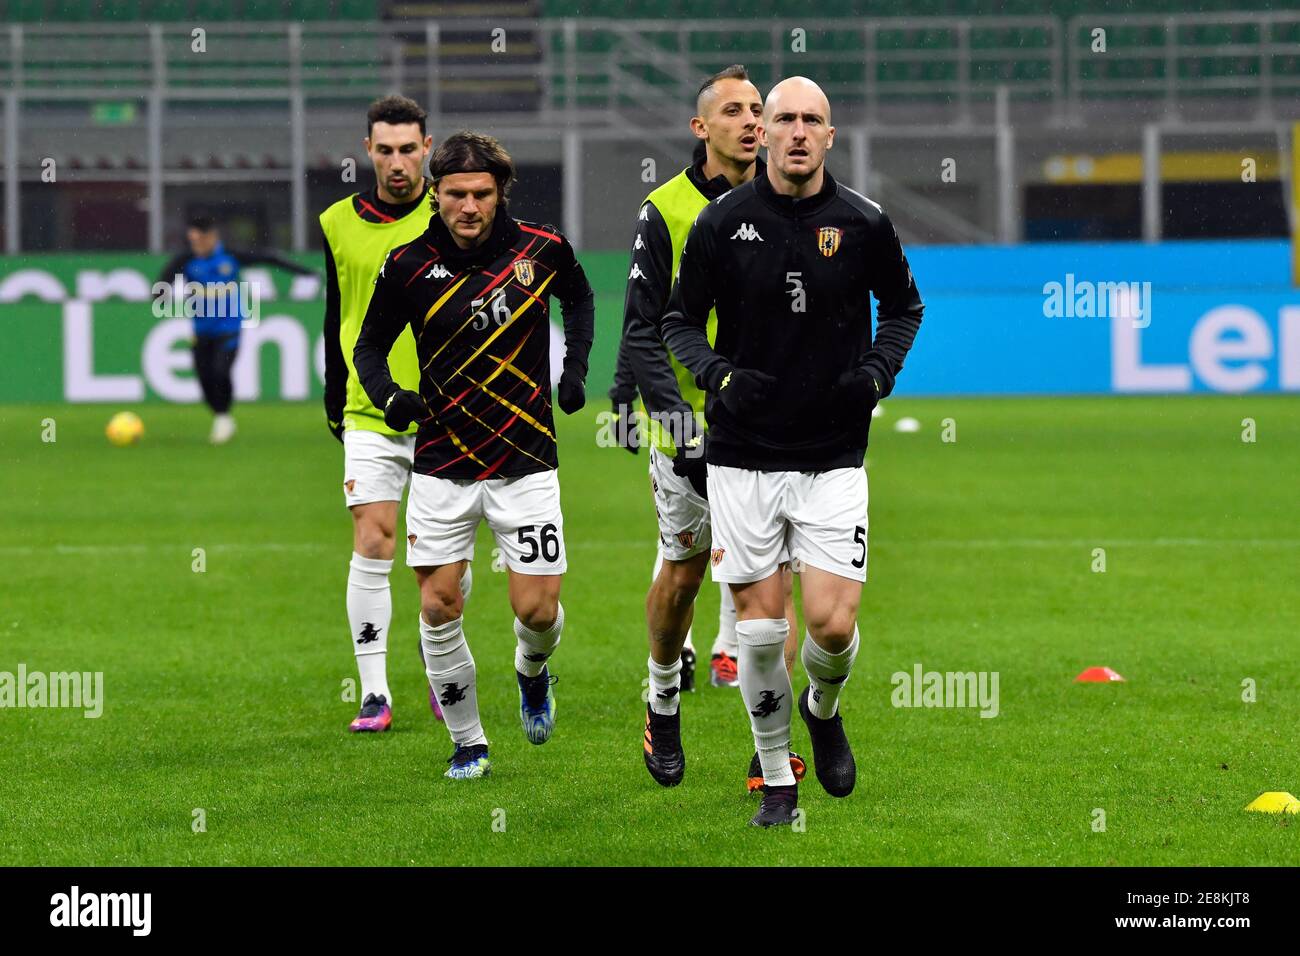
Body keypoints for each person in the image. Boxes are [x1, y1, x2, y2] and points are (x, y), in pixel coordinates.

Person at [661, 77, 924, 826]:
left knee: (833, 629)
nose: (798, 131)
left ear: (830, 137)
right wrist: (716, 374)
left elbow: (905, 307)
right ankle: (777, 780)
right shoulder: (721, 223)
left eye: (813, 120)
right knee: (761, 629)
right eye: (784, 119)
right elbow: (679, 321)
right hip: (742, 457)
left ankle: (823, 704)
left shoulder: (865, 222)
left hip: (835, 454)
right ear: (764, 133)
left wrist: (877, 373)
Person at [353, 130, 594, 780]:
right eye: (455, 193)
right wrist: (391, 398)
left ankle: (532, 670)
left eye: (480, 193)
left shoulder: (541, 249)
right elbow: (369, 347)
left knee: (536, 612)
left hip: (526, 462)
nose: (467, 206)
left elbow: (580, 294)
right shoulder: (406, 265)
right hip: (440, 465)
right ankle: (468, 743)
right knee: (437, 605)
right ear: (436, 194)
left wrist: (574, 370)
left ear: (499, 193)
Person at [616, 64, 802, 794]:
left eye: (759, 108)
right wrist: (678, 423)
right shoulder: (664, 210)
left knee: (775, 587)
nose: (754, 121)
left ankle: (771, 751)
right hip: (692, 434)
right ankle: (662, 699)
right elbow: (641, 332)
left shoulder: (794, 198)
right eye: (735, 110)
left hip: (774, 432)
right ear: (702, 128)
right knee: (686, 575)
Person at [320, 94, 472, 734]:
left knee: (447, 566)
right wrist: (336, 396)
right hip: (370, 407)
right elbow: (336, 313)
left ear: (427, 148)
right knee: (374, 540)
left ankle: (436, 652)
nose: (398, 162)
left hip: (449, 409)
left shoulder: (457, 214)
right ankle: (374, 692)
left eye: (409, 149)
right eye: (385, 150)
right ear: (368, 152)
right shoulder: (336, 222)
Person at [156, 216, 315, 444]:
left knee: (220, 372)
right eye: (193, 241)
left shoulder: (230, 256)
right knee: (205, 379)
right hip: (200, 331)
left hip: (229, 328)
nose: (196, 246)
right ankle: (221, 415)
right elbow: (165, 278)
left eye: (200, 241)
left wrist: (304, 272)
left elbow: (269, 258)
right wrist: (160, 294)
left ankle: (223, 417)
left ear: (212, 237)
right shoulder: (187, 259)